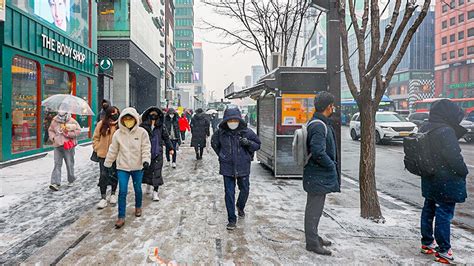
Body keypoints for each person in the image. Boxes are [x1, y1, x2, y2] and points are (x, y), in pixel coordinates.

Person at [418, 99, 468, 264]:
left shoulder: (426, 126)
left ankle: (427, 243)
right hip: (446, 180)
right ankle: (444, 250)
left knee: (429, 209)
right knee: (444, 214)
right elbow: (454, 157)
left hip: (430, 177)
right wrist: (463, 171)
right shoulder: (445, 131)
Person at [211, 108, 261, 230]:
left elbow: (258, 145)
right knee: (229, 193)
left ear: (239, 120)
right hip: (227, 167)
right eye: (230, 120)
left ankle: (240, 206)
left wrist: (248, 143)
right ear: (226, 121)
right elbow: (214, 144)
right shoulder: (220, 133)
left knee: (245, 190)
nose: (232, 122)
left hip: (243, 166)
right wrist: (222, 155)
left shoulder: (247, 132)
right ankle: (231, 219)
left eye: (235, 120)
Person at [303, 91, 340, 256]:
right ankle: (312, 243)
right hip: (317, 174)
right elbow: (318, 152)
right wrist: (330, 165)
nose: (334, 108)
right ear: (328, 107)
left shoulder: (318, 122)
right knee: (314, 209)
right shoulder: (319, 125)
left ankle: (314, 236)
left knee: (315, 208)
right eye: (332, 105)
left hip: (316, 175)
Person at [104, 107, 151, 229]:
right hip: (122, 167)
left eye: (131, 119)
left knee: (137, 188)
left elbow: (146, 148)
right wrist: (107, 164)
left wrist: (146, 160)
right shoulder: (118, 134)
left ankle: (138, 206)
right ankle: (121, 216)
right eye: (126, 119)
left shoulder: (142, 133)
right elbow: (113, 150)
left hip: (137, 166)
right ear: (122, 120)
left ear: (135, 119)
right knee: (122, 191)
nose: (128, 121)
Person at [140, 107, 173, 201]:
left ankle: (155, 192)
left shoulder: (161, 126)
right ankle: (148, 184)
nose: (153, 116)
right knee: (147, 170)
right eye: (152, 114)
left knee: (157, 172)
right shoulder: (143, 126)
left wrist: (170, 148)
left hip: (157, 151)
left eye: (155, 114)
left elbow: (166, 137)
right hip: (146, 152)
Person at [93, 106, 120, 209]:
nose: (114, 115)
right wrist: (97, 148)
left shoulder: (119, 126)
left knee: (114, 175)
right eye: (112, 113)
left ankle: (113, 194)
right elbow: (95, 138)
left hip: (115, 155)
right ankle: (103, 197)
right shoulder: (101, 124)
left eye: (116, 113)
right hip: (103, 155)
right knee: (103, 175)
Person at [48, 110, 81, 191]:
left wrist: (67, 133)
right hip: (57, 145)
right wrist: (53, 138)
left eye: (63, 113)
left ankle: (71, 180)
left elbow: (78, 131)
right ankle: (55, 183)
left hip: (68, 145)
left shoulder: (72, 121)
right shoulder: (55, 120)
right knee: (57, 164)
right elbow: (50, 130)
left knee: (69, 163)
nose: (61, 114)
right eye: (59, 112)